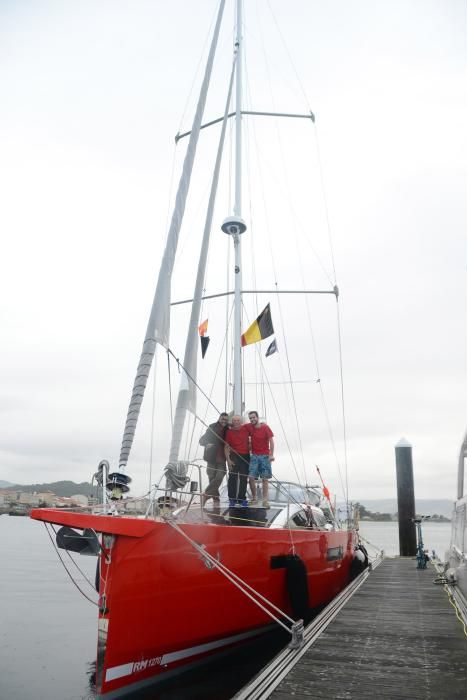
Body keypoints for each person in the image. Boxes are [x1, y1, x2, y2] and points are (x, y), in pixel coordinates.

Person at [199, 412, 228, 508]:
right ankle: (216, 499)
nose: (224, 421)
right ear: (219, 418)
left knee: (219, 476)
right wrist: (207, 444)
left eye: (225, 419)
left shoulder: (228, 429)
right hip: (211, 458)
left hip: (222, 458)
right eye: (222, 419)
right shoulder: (212, 427)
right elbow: (202, 440)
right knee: (211, 478)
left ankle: (206, 495)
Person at [248, 410, 274, 508]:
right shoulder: (250, 428)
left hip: (264, 456)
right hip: (254, 456)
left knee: (265, 478)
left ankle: (265, 500)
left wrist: (271, 455)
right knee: (251, 477)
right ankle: (254, 498)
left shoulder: (265, 427)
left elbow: (271, 441)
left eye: (254, 417)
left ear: (257, 417)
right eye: (250, 418)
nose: (252, 419)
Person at [224, 415, 251, 508]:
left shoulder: (246, 428)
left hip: (245, 456)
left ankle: (241, 499)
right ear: (232, 422)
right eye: (234, 420)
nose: (236, 422)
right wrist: (228, 460)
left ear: (241, 421)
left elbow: (255, 426)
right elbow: (226, 446)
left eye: (238, 420)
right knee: (232, 477)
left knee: (244, 478)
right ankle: (232, 499)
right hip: (234, 455)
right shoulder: (229, 432)